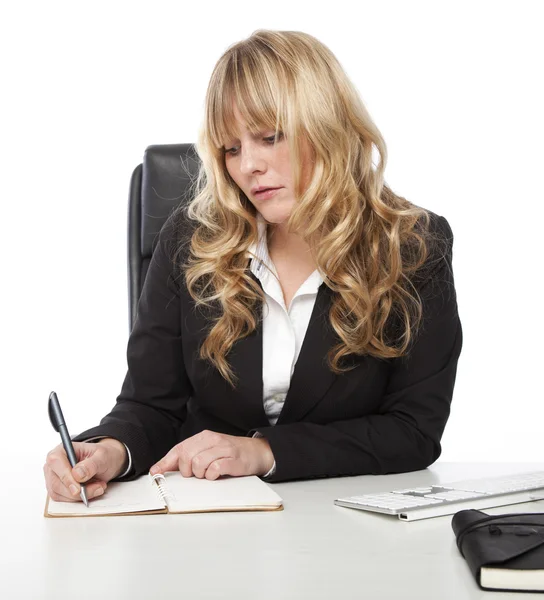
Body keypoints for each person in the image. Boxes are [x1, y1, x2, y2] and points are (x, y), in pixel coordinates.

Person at [43, 29, 463, 503]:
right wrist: (108, 450)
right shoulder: (191, 240)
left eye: (270, 137)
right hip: (206, 517)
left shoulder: (413, 246)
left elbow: (413, 431)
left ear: (326, 126)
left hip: (344, 519)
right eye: (232, 148)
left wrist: (264, 452)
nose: (248, 167)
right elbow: (149, 406)